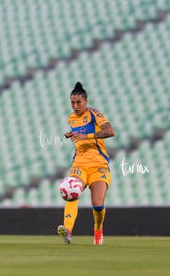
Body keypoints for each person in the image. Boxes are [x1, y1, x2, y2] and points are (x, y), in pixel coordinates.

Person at [57, 82, 115, 245]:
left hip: (98, 165)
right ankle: (67, 231)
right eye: (72, 103)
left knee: (97, 204)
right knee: (71, 193)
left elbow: (110, 131)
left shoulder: (94, 114)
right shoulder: (71, 118)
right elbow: (79, 137)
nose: (75, 106)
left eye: (78, 102)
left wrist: (86, 136)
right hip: (79, 164)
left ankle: (98, 229)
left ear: (86, 101)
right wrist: (72, 135)